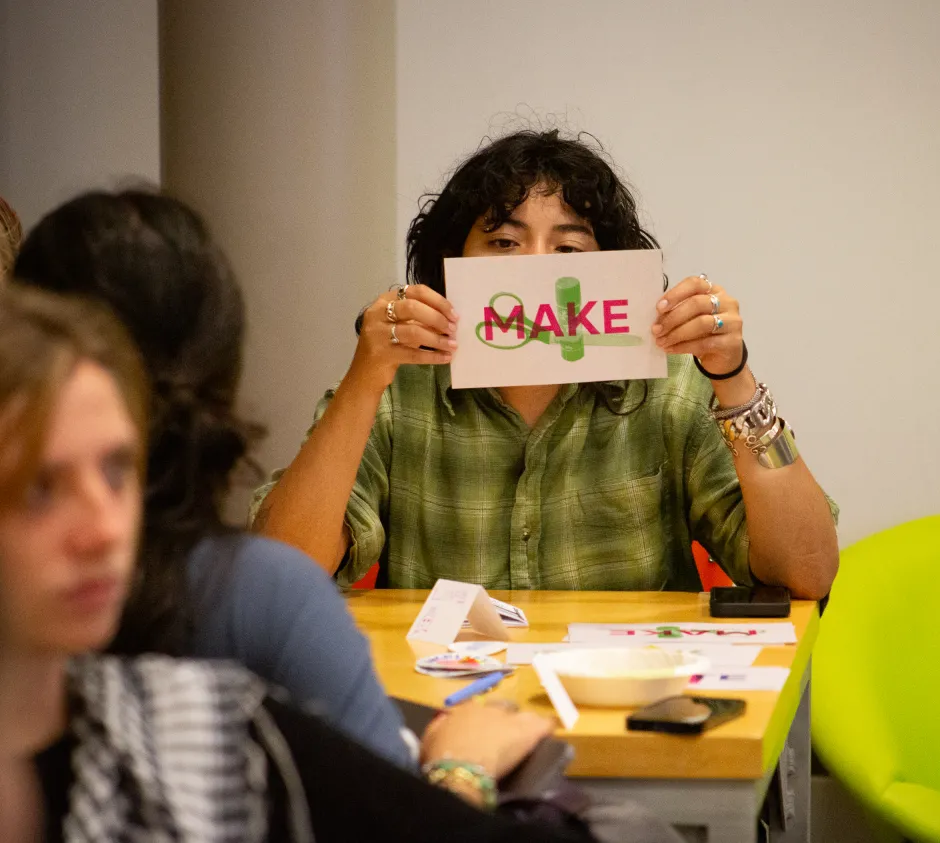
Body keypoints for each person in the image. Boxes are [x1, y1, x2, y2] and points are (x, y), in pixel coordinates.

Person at [0, 284, 594, 842]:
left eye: (116, 470)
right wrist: (460, 772)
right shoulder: (208, 714)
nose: (105, 529)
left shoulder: (202, 725)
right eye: (38, 487)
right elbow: (293, 556)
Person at [11, 190, 548, 776]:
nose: (537, 266)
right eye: (503, 242)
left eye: (113, 469)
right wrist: (461, 768)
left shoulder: (247, 590)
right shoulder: (254, 593)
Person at [251, 129, 840, 596]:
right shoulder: (397, 389)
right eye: (504, 243)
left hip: (629, 706)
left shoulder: (667, 388)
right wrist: (363, 380)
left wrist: (733, 376)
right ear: (451, 265)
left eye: (569, 248)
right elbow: (284, 575)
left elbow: (806, 571)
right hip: (448, 709)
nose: (536, 267)